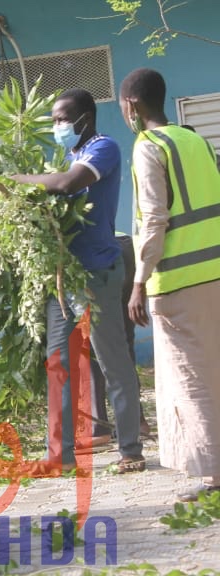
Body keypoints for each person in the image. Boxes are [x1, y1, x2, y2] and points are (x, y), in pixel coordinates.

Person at [9, 88, 144, 475]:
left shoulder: (103, 148)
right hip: (64, 275)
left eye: (62, 119)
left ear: (86, 118)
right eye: (53, 120)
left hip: (98, 271)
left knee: (112, 361)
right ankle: (59, 456)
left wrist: (13, 179)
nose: (57, 126)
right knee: (59, 364)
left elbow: (67, 184)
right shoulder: (68, 157)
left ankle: (130, 450)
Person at [119, 68, 220, 501]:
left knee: (191, 380)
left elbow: (154, 219)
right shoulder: (196, 140)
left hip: (178, 281)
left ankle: (213, 477)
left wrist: (138, 282)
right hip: (215, 272)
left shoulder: (148, 146)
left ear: (131, 105)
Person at [88, 232, 152, 445]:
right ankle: (138, 422)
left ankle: (98, 426)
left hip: (97, 254)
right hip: (125, 247)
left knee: (93, 344)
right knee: (123, 343)